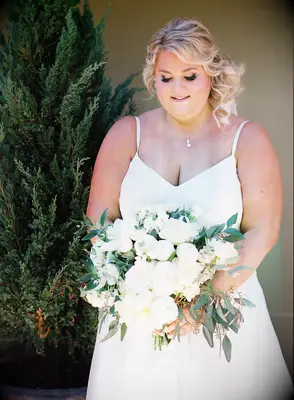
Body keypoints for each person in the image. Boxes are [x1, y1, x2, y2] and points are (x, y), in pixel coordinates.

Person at [85, 17, 293, 400]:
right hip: (140, 317)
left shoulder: (247, 138)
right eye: (166, 78)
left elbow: (264, 230)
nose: (176, 89)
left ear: (211, 73)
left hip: (223, 313)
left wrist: (203, 300)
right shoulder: (126, 134)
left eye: (189, 76)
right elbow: (99, 223)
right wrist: (133, 287)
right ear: (154, 80)